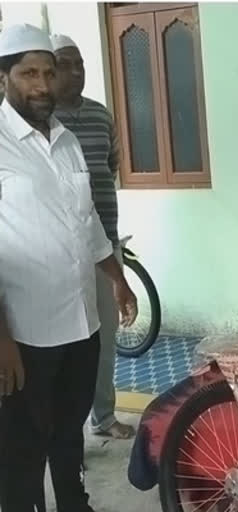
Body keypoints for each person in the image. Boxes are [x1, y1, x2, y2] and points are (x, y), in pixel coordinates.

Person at [0, 24, 137, 512]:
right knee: (23, 445)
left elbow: (89, 223)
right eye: (28, 73)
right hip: (27, 333)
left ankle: (74, 503)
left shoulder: (68, 141)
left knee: (68, 433)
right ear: (5, 78)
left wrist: (116, 278)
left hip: (81, 323)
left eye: (47, 72)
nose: (41, 84)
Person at [51, 33, 135, 440]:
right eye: (64, 64)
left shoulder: (101, 116)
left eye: (80, 64)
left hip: (105, 246)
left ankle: (103, 416)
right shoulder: (42, 122)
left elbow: (111, 167)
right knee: (62, 341)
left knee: (104, 336)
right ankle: (61, 429)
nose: (75, 72)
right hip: (57, 253)